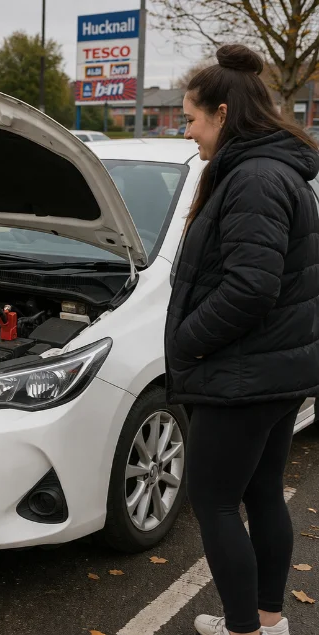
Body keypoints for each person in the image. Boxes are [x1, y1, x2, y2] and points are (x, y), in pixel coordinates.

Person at [166, 44, 319, 635]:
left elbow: (251, 288)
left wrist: (187, 342)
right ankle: (266, 621)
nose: (187, 132)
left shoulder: (254, 177)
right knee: (259, 494)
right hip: (272, 371)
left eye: (192, 118)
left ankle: (243, 630)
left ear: (224, 114)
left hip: (243, 376)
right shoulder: (274, 169)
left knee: (215, 502)